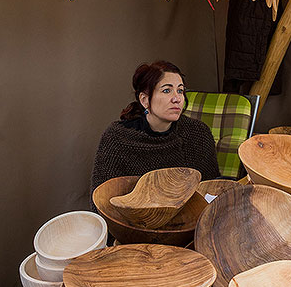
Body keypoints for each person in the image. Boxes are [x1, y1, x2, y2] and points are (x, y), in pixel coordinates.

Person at [91, 61, 220, 195]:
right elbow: (101, 199)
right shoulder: (117, 138)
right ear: (144, 100)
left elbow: (211, 190)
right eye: (166, 90)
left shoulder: (198, 133)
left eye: (180, 90)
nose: (177, 99)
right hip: (133, 214)